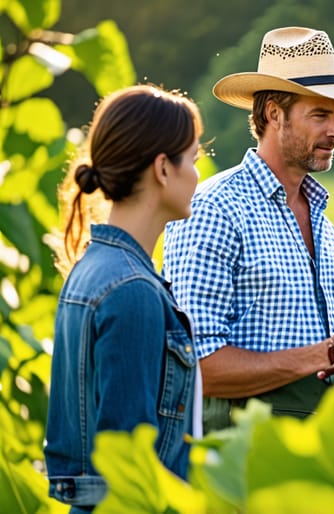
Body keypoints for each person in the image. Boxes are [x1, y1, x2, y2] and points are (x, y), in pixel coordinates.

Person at [163, 27, 334, 430]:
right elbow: (198, 365)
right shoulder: (214, 208)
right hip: (241, 458)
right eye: (320, 115)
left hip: (320, 458)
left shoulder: (326, 228)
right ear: (273, 114)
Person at [44, 85, 204, 512]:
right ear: (162, 169)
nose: (197, 175)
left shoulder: (91, 269)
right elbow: (127, 472)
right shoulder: (132, 290)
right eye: (192, 159)